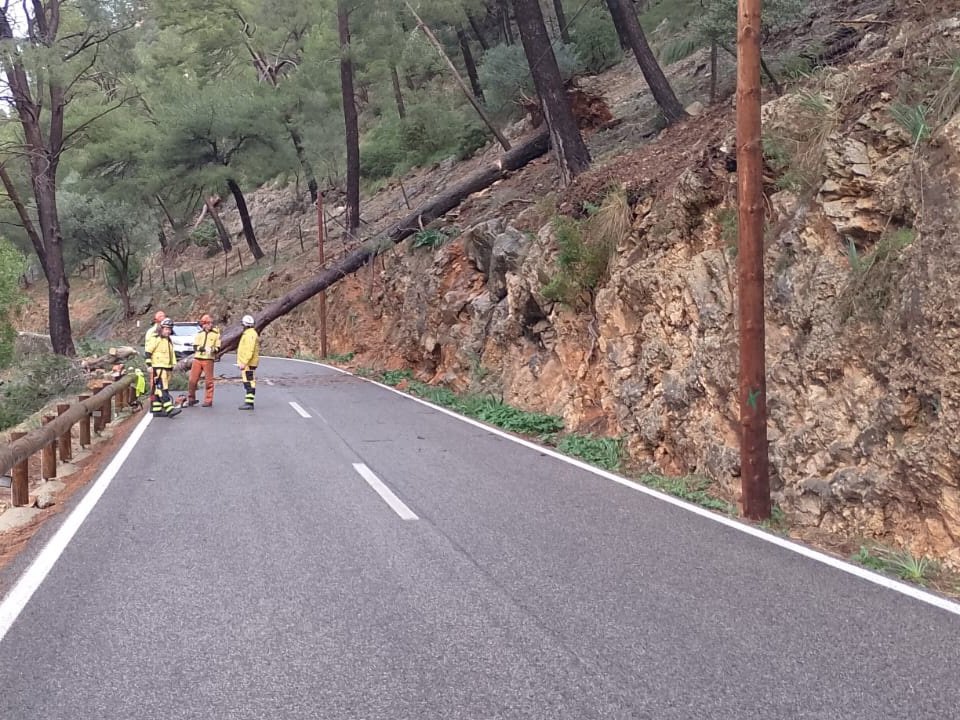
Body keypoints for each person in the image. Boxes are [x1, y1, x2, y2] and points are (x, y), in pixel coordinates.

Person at [146, 318, 182, 418]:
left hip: (166, 368)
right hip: (158, 368)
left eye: (169, 329)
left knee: (158, 389)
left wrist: (172, 366)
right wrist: (149, 365)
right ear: (161, 329)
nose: (168, 331)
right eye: (166, 329)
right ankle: (170, 409)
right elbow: (148, 352)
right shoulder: (156, 339)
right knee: (162, 389)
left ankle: (156, 410)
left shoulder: (168, 340)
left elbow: (170, 355)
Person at [187, 314, 221, 407]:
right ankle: (191, 398)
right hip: (197, 359)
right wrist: (202, 348)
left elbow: (218, 347)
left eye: (211, 323)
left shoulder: (215, 334)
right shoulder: (199, 334)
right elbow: (195, 346)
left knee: (209, 381)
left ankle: (208, 400)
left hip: (209, 359)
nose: (210, 325)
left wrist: (212, 349)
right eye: (208, 323)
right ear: (204, 324)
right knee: (192, 380)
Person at [237, 314, 260, 411]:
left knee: (249, 382)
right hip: (248, 363)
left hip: (248, 364)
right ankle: (249, 402)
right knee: (249, 381)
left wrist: (244, 362)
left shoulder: (250, 335)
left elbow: (249, 350)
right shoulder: (249, 333)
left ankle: (249, 403)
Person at [144, 310, 165, 410]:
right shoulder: (151, 332)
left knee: (163, 385)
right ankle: (154, 404)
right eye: (161, 317)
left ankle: (161, 402)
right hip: (154, 363)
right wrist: (149, 363)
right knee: (154, 386)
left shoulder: (166, 332)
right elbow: (148, 349)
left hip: (163, 364)